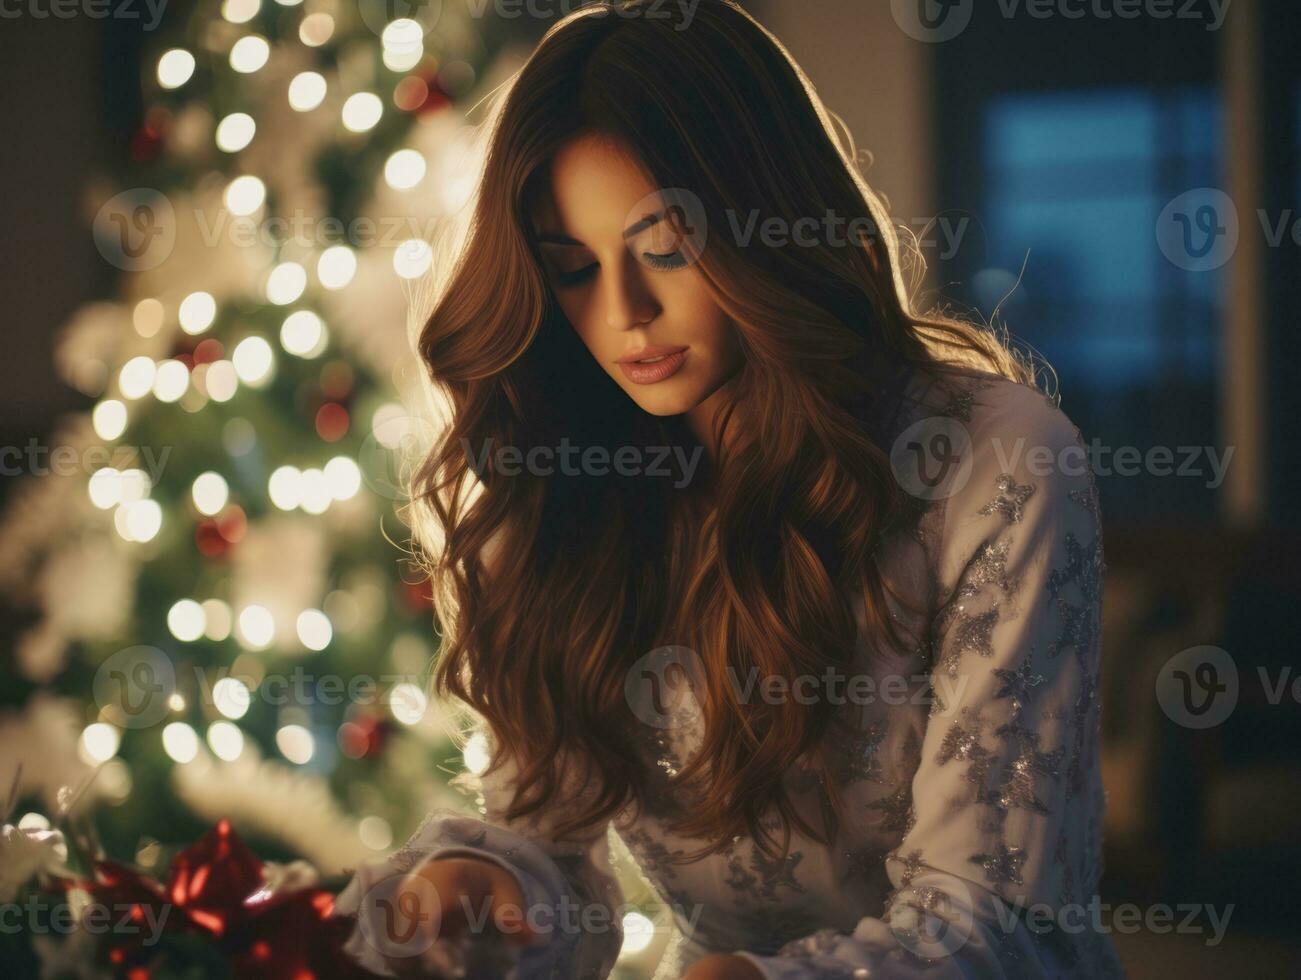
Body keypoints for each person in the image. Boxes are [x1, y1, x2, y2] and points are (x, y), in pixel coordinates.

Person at [333, 2, 1123, 977]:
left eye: (663, 246)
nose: (622, 314)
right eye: (572, 269)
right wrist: (486, 882)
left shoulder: (994, 465)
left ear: (768, 218)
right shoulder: (557, 480)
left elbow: (994, 919)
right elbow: (563, 874)